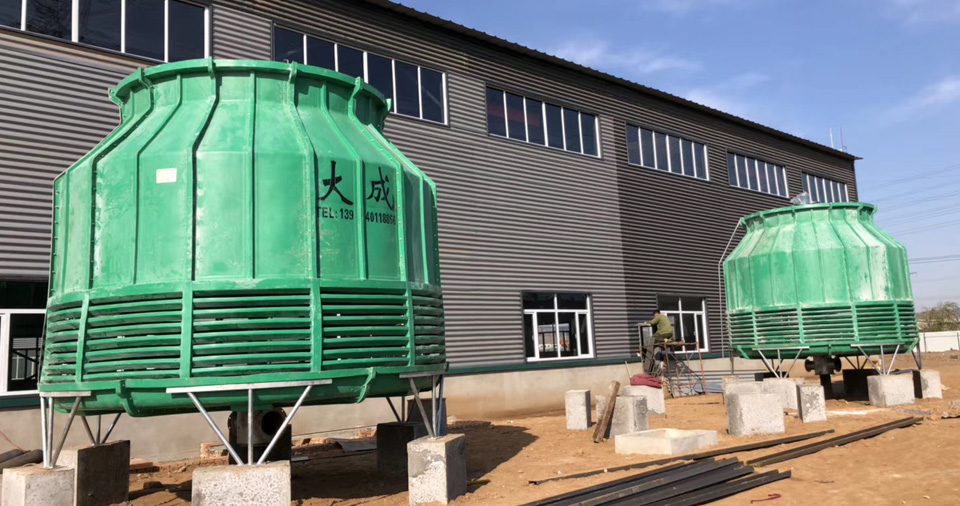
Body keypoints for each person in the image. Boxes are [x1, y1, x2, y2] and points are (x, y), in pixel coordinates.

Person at [641, 310, 674, 375]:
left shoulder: (658, 316)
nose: (654, 316)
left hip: (663, 333)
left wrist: (646, 322)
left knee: (652, 338)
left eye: (654, 315)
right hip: (670, 333)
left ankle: (662, 341)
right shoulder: (665, 317)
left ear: (656, 313)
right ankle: (666, 340)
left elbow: (652, 322)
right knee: (658, 339)